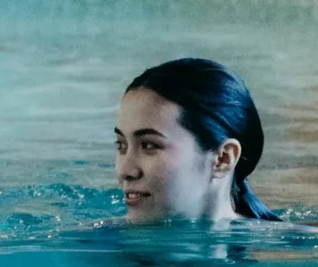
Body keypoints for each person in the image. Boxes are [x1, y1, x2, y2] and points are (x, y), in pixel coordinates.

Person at [113, 57, 283, 227]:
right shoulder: (101, 236)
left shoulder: (288, 241)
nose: (125, 171)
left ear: (223, 159)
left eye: (149, 145)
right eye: (121, 145)